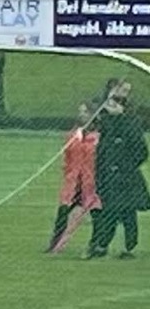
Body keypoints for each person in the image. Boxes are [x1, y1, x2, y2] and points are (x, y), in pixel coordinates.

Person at [87, 83, 147, 260]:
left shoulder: (130, 124)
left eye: (114, 104)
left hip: (126, 178)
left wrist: (125, 167)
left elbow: (141, 152)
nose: (110, 107)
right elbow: (101, 152)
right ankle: (102, 245)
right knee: (109, 212)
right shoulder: (105, 125)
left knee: (128, 213)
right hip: (108, 178)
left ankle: (129, 247)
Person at [50, 103, 102, 254]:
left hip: (91, 180)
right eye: (80, 112)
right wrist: (68, 173)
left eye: (85, 112)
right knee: (63, 210)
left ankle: (97, 243)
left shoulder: (99, 136)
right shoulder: (73, 135)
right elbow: (68, 157)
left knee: (96, 213)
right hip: (74, 180)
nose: (81, 115)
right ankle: (56, 243)